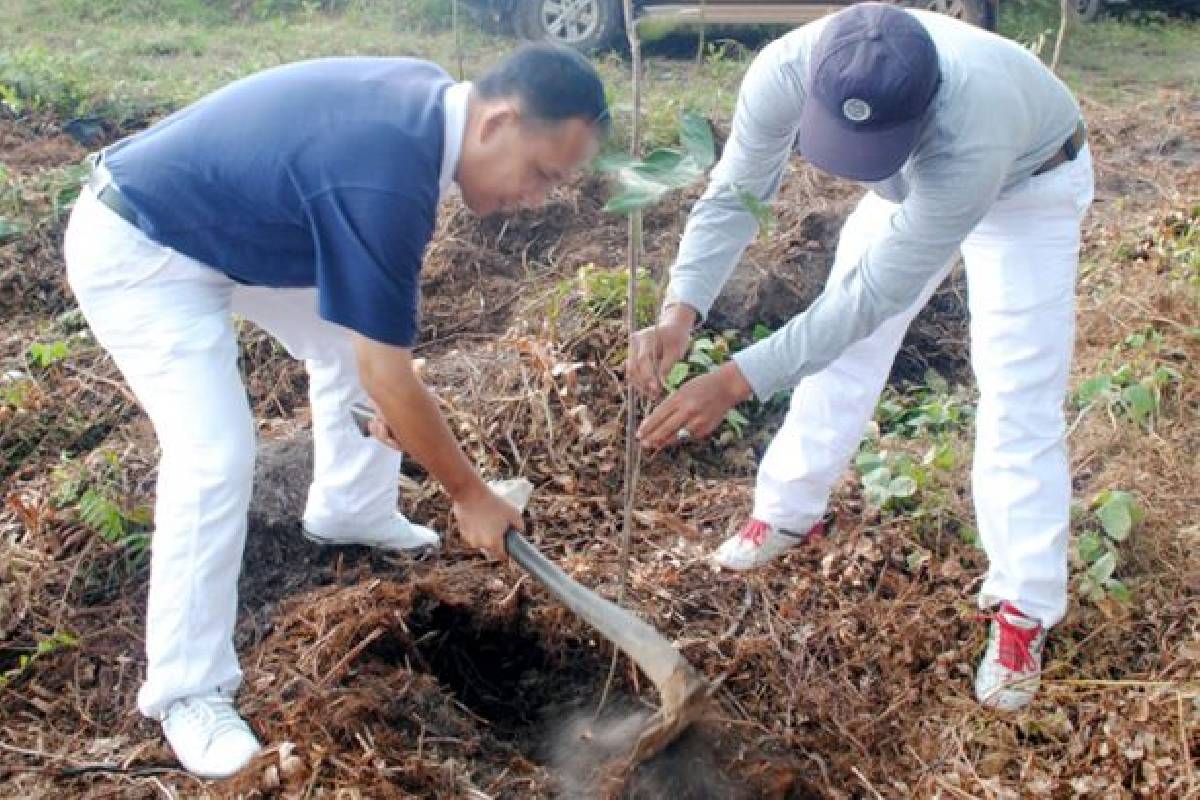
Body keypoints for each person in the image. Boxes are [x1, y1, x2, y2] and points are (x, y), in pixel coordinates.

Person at [63, 45, 609, 779]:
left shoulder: (429, 109)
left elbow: (375, 356)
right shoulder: (388, 172)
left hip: (234, 230)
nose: (539, 197)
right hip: (141, 244)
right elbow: (386, 370)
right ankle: (186, 689)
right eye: (543, 173)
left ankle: (351, 506)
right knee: (216, 456)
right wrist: (468, 494)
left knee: (350, 351)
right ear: (498, 123)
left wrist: (393, 399)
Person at [629, 3, 1093, 712]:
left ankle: (1022, 607)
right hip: (911, 179)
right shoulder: (786, 66)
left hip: (1026, 183)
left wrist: (737, 378)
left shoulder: (973, 126)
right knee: (844, 356)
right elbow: (736, 194)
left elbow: (869, 298)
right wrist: (679, 309)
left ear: (922, 110)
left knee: (1016, 390)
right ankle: (787, 511)